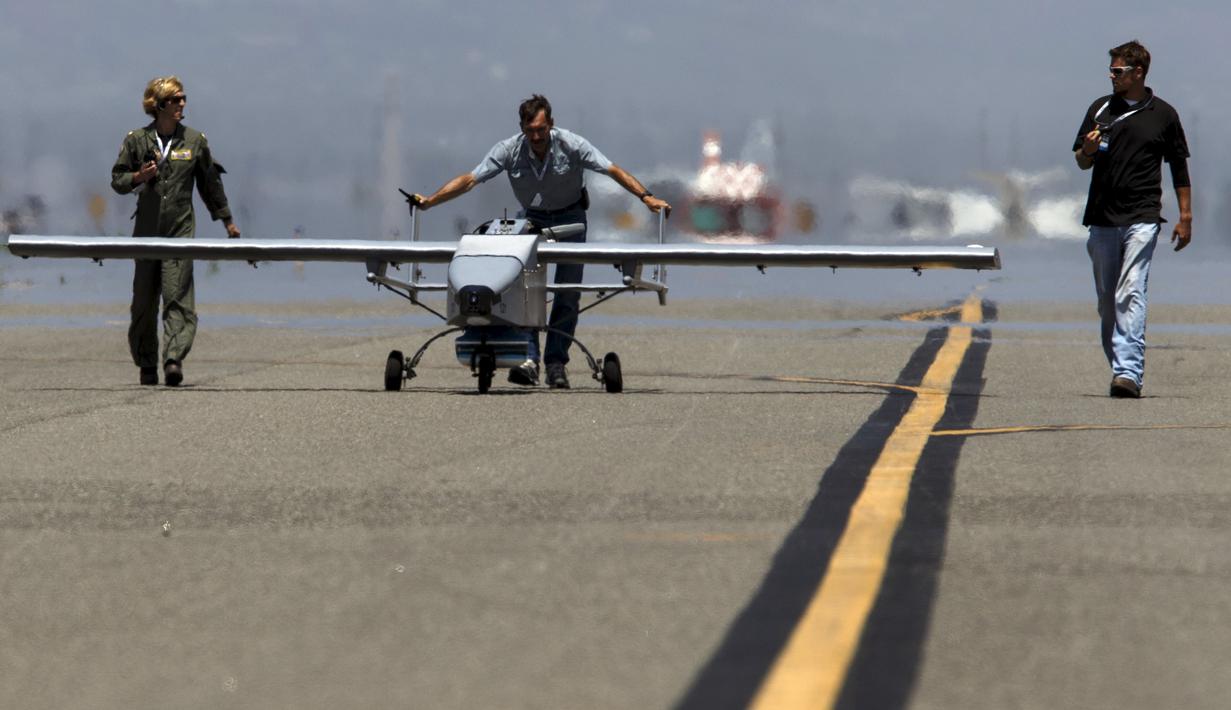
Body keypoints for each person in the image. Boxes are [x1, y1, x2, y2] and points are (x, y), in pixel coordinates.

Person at [413, 94, 670, 388]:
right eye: (530, 130)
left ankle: (556, 363)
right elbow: (471, 179)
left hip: (571, 219)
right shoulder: (509, 150)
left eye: (541, 129)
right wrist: (430, 201)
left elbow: (611, 169)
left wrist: (646, 197)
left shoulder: (572, 144)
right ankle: (530, 360)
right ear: (521, 128)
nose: (536, 137)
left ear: (551, 124)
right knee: (525, 289)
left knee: (567, 292)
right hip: (532, 220)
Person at [1072, 40, 1191, 399]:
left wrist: (1185, 216)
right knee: (1108, 301)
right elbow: (1081, 160)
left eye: (1118, 70)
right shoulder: (1100, 109)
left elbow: (1178, 167)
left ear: (1138, 73)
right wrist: (1088, 150)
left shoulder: (1164, 114)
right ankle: (1121, 366)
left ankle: (1128, 373)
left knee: (1131, 290)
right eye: (1111, 70)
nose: (1112, 76)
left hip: (1142, 216)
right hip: (1102, 218)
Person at [111, 76, 240, 387]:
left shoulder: (195, 141)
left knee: (177, 297)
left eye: (183, 98)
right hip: (146, 235)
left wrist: (227, 220)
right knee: (143, 303)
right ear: (159, 105)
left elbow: (210, 185)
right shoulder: (137, 140)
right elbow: (117, 180)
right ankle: (146, 363)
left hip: (179, 232)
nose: (182, 103)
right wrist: (139, 177)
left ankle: (173, 359)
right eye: (176, 99)